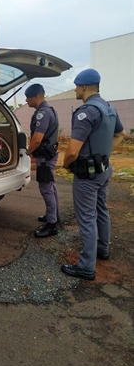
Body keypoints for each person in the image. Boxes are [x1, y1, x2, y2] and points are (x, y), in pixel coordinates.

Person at [61, 68, 126, 280]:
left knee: (87, 218)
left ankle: (86, 266)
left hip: (87, 175)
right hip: (104, 170)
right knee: (101, 210)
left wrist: (66, 165)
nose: (75, 90)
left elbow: (72, 150)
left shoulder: (86, 111)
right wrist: (103, 153)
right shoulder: (108, 107)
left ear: (83, 87)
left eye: (76, 86)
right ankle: (102, 250)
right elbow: (121, 134)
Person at [25, 83, 60, 238]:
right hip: (48, 154)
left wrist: (27, 152)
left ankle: (52, 225)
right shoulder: (48, 110)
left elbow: (37, 139)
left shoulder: (43, 113)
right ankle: (53, 215)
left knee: (46, 188)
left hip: (45, 157)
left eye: (28, 97)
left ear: (36, 96)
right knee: (50, 187)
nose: (26, 100)